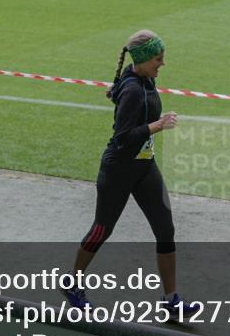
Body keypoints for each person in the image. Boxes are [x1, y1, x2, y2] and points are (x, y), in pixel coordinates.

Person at [62, 30, 199, 317]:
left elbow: (123, 94)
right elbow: (123, 137)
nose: (162, 64)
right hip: (119, 169)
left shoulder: (142, 79)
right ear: (143, 59)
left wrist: (117, 95)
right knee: (102, 229)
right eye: (158, 59)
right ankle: (72, 283)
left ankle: (171, 299)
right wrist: (157, 126)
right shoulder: (135, 88)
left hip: (145, 166)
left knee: (165, 229)